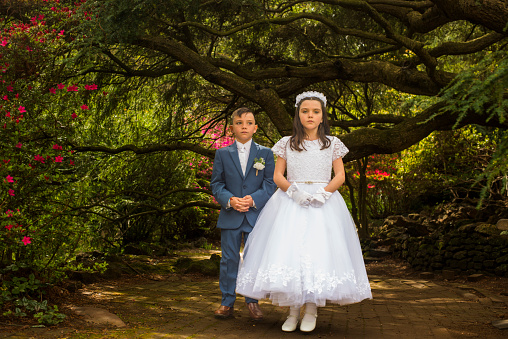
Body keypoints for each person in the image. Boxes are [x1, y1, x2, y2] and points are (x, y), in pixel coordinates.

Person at [236, 91, 372, 332]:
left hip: (324, 203)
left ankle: (311, 310)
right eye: (305, 111)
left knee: (317, 254)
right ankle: (292, 311)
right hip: (291, 202)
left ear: (322, 116)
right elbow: (278, 175)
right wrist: (294, 192)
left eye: (316, 112)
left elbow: (340, 175)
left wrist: (324, 193)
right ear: (298, 115)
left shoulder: (332, 143)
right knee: (292, 253)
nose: (310, 115)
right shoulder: (287, 142)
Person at [210, 107, 277, 321]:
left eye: (248, 123)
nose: (244, 126)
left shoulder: (265, 153)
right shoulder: (222, 153)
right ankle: (226, 302)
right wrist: (230, 200)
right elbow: (217, 183)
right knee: (229, 259)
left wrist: (253, 199)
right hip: (231, 215)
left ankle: (252, 301)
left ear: (255, 127)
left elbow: (270, 183)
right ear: (232, 128)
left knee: (253, 259)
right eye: (239, 123)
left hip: (255, 215)